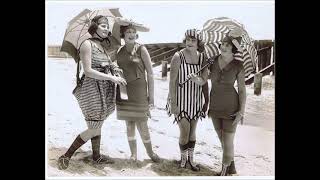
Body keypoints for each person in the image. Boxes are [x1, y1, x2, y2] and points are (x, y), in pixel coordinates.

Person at [57, 15, 127, 170]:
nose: (107, 29)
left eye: (107, 26)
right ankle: (66, 155)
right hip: (91, 90)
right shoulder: (86, 44)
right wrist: (111, 78)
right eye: (103, 25)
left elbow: (107, 64)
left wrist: (115, 69)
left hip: (103, 89)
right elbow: (88, 71)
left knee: (97, 124)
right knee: (94, 127)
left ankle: (96, 157)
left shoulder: (102, 46)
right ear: (94, 27)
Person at [189, 34, 247, 176]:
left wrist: (241, 111)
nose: (224, 46)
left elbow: (242, 90)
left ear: (233, 48)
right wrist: (195, 79)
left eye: (228, 45)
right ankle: (231, 166)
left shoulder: (238, 65)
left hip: (231, 107)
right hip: (214, 106)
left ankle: (224, 172)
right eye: (223, 44)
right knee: (222, 139)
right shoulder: (212, 61)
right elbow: (203, 81)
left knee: (227, 142)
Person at [115, 24, 160, 162]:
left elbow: (151, 74)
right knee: (129, 124)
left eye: (133, 32)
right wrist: (115, 69)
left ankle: (150, 153)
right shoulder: (119, 51)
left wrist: (151, 98)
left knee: (142, 124)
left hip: (140, 92)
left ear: (137, 35)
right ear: (123, 35)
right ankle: (133, 154)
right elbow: (113, 66)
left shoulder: (142, 49)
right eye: (128, 31)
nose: (131, 33)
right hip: (124, 92)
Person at [167, 29, 208, 171]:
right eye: (188, 40)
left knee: (192, 132)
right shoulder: (178, 56)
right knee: (184, 132)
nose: (189, 43)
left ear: (198, 43)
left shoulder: (202, 58)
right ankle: (183, 160)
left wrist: (197, 79)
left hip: (195, 101)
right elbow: (172, 82)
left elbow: (204, 81)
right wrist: (173, 104)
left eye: (193, 40)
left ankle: (191, 160)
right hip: (180, 100)